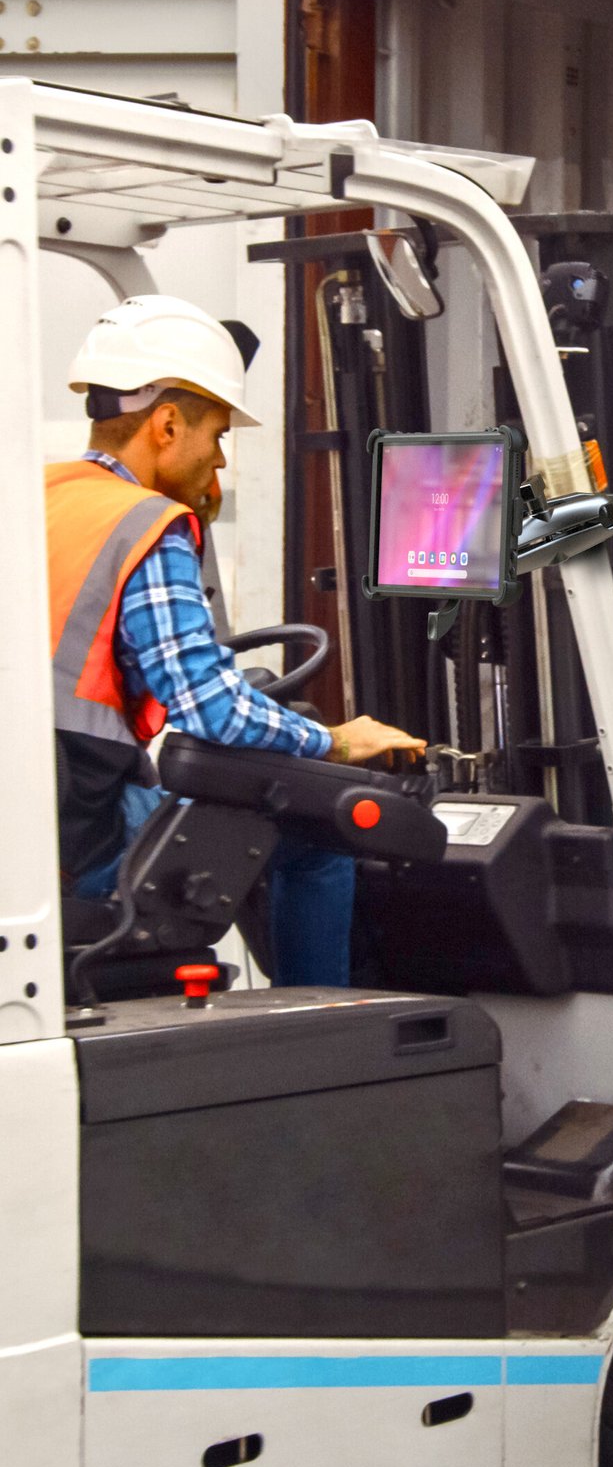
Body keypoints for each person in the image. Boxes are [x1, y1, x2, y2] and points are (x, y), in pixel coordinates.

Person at [48, 293, 425, 987]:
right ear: (165, 424)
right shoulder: (145, 524)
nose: (218, 458)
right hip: (81, 839)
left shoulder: (40, 494)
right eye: (217, 434)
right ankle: (320, 1029)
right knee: (319, 833)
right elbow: (213, 709)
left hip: (41, 822)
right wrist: (338, 743)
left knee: (220, 811)